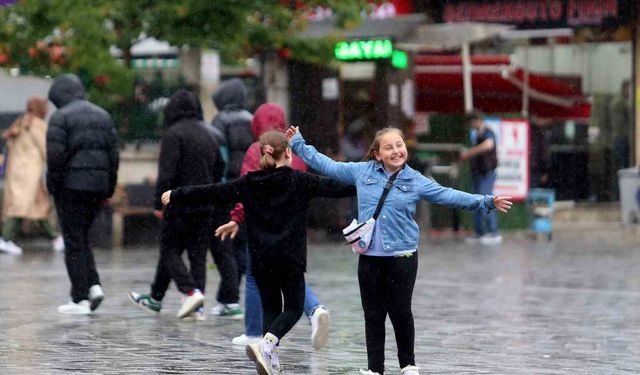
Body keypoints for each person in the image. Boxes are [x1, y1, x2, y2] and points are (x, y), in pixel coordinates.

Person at [287, 126, 512, 375]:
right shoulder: (362, 172)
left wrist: (486, 202)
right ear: (377, 154)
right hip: (370, 257)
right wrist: (298, 143)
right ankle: (375, 369)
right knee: (373, 315)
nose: (396, 151)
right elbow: (328, 165)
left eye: (399, 145)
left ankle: (408, 365)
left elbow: (448, 195)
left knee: (400, 311)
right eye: (389, 147)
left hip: (403, 256)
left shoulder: (415, 179)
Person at [162, 130, 355, 375]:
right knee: (294, 308)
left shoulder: (249, 183)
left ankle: (270, 362)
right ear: (288, 152)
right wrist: (371, 180)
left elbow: (212, 191)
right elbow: (337, 188)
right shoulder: (300, 181)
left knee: (272, 309)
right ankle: (267, 344)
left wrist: (177, 194)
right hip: (290, 259)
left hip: (261, 259)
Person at [214, 103, 334, 348]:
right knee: (292, 278)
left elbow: (244, 187)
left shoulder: (257, 149)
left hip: (261, 229)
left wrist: (237, 217)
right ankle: (314, 310)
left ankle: (254, 332)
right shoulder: (293, 148)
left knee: (255, 277)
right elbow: (308, 183)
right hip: (291, 230)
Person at [128, 89, 239, 321]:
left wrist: (159, 202)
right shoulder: (209, 133)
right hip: (205, 204)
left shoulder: (173, 134)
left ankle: (190, 292)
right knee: (197, 256)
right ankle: (177, 303)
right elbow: (220, 168)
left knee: (169, 250)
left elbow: (166, 172)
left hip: (178, 203)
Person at [47, 74, 119, 315]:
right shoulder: (103, 115)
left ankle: (80, 299)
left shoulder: (60, 117)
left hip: (71, 186)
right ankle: (94, 286)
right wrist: (109, 187)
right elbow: (113, 156)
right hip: (97, 187)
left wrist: (53, 187)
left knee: (73, 241)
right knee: (83, 238)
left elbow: (55, 158)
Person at [0, 97, 64, 255]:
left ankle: (56, 238)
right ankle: (5, 239)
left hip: (17, 172)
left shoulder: (21, 122)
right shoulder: (37, 125)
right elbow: (46, 147)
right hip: (29, 173)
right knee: (21, 206)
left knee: (38, 205)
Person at [211, 78, 254, 287]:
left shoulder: (220, 120)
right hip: (251, 183)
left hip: (229, 186)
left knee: (227, 242)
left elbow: (218, 156)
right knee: (243, 240)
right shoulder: (251, 119)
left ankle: (230, 294)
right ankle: (232, 293)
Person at [459, 110, 502, 245]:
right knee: (476, 202)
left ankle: (493, 232)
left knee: (487, 201)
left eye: (471, 122)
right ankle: (479, 232)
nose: (470, 125)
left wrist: (469, 153)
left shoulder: (488, 132)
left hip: (487, 173)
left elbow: (488, 145)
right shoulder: (477, 134)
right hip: (478, 172)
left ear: (477, 120)